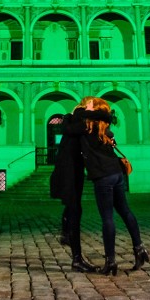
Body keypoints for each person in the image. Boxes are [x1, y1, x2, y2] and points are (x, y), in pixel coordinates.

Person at [66, 96, 149, 275]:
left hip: (102, 176)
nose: (83, 104)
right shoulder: (105, 127)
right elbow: (105, 118)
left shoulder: (86, 125)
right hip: (117, 173)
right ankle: (139, 248)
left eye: (87, 103)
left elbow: (67, 127)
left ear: (93, 108)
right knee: (126, 211)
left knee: (107, 218)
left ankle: (110, 261)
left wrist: (72, 112)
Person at [49, 111, 96, 272]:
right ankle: (77, 258)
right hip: (70, 175)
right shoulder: (79, 127)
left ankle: (66, 233)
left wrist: (68, 117)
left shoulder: (71, 129)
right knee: (75, 211)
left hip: (72, 174)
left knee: (74, 209)